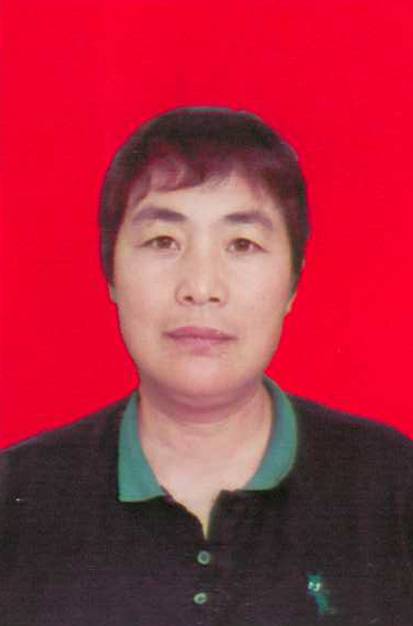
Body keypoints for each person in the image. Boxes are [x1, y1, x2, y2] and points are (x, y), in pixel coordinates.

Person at [1, 107, 412, 626]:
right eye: (163, 242)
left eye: (242, 244)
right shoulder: (16, 497)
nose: (200, 287)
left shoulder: (392, 487)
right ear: (111, 273)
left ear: (293, 281)